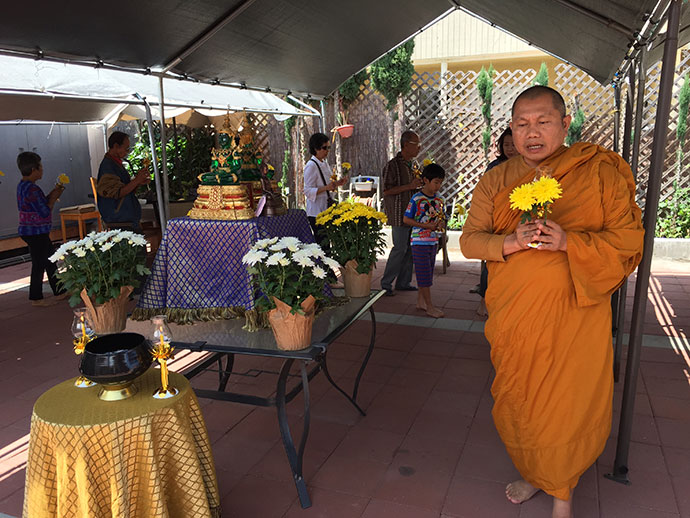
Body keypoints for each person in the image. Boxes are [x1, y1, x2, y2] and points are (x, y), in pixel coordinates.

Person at [459, 85, 644, 518]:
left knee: (565, 403)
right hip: (516, 318)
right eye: (522, 124)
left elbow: (627, 242)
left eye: (543, 121)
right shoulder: (497, 180)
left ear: (564, 124)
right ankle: (533, 472)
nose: (532, 132)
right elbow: (469, 241)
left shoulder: (597, 171)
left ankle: (563, 493)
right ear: (511, 129)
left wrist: (569, 242)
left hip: (575, 317)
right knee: (523, 400)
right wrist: (510, 242)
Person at [474, 126, 520, 316]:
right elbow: (484, 194)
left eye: (513, 144)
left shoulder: (529, 165)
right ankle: (483, 301)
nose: (510, 149)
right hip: (497, 220)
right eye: (506, 145)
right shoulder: (495, 167)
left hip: (519, 221)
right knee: (492, 260)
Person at [16, 152, 68, 306]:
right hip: (36, 232)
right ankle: (36, 297)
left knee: (50, 260)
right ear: (34, 169)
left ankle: (60, 291)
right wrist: (53, 199)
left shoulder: (22, 185)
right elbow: (45, 211)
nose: (42, 169)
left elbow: (39, 203)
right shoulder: (33, 189)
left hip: (29, 231)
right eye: (41, 167)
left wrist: (52, 193)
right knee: (39, 263)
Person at [380, 130, 424, 296]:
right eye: (416, 144)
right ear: (406, 145)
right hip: (399, 214)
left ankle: (403, 282)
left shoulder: (414, 164)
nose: (419, 148)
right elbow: (386, 191)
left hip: (413, 214)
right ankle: (385, 284)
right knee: (399, 248)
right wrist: (409, 186)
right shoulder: (392, 165)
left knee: (410, 249)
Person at [403, 163, 446, 318]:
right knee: (424, 275)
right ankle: (429, 306)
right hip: (419, 242)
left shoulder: (439, 199)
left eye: (440, 183)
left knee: (427, 273)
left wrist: (441, 224)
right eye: (436, 182)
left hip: (433, 241)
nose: (438, 186)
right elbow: (406, 219)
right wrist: (425, 226)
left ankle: (421, 302)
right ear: (426, 180)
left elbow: (442, 218)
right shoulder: (416, 198)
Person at [96, 131, 149, 231]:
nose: (127, 152)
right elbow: (118, 193)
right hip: (118, 218)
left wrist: (137, 183)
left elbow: (126, 189)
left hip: (127, 217)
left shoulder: (115, 164)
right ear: (116, 146)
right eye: (126, 148)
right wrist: (136, 181)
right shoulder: (108, 167)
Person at [303, 132, 346, 245]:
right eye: (324, 148)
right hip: (316, 212)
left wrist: (337, 183)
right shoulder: (311, 166)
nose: (327, 151)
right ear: (316, 149)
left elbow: (326, 184)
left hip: (326, 209)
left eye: (328, 147)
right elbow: (307, 190)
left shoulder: (324, 163)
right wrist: (326, 187)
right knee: (322, 245)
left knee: (328, 243)